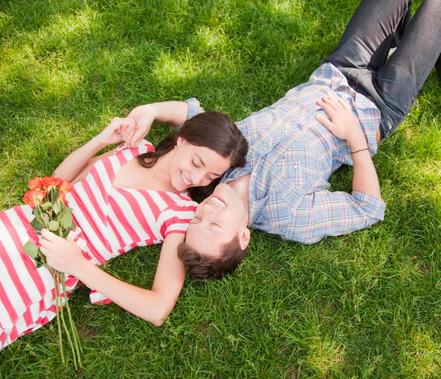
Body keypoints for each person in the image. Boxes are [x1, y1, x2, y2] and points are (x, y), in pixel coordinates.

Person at [122, 0, 441, 278]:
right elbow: (367, 208)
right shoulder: (290, 215)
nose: (209, 211)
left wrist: (150, 110)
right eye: (215, 226)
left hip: (338, 70)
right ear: (242, 237)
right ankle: (403, 40)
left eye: (199, 218)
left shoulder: (216, 167)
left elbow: (192, 114)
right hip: (378, 107)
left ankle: (397, 36)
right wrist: (355, 138)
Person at [0, 111, 248, 365]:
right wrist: (100, 141)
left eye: (209, 177)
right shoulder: (137, 150)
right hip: (6, 227)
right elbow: (59, 184)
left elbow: (158, 308)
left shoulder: (180, 213)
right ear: (181, 140)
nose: (196, 179)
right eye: (196, 163)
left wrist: (79, 266)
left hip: (37, 271)